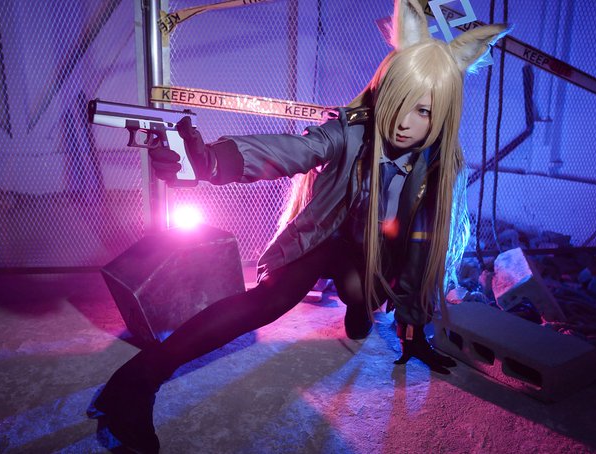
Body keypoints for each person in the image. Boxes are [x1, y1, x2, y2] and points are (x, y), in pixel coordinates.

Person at [89, 1, 508, 451]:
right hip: (324, 238)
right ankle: (137, 383)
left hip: (372, 258)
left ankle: (360, 305)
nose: (404, 123)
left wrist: (415, 327)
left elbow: (421, 253)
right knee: (268, 301)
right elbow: (291, 150)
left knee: (360, 292)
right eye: (398, 102)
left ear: (443, 113)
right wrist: (209, 161)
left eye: (423, 111)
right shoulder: (351, 133)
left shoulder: (439, 169)